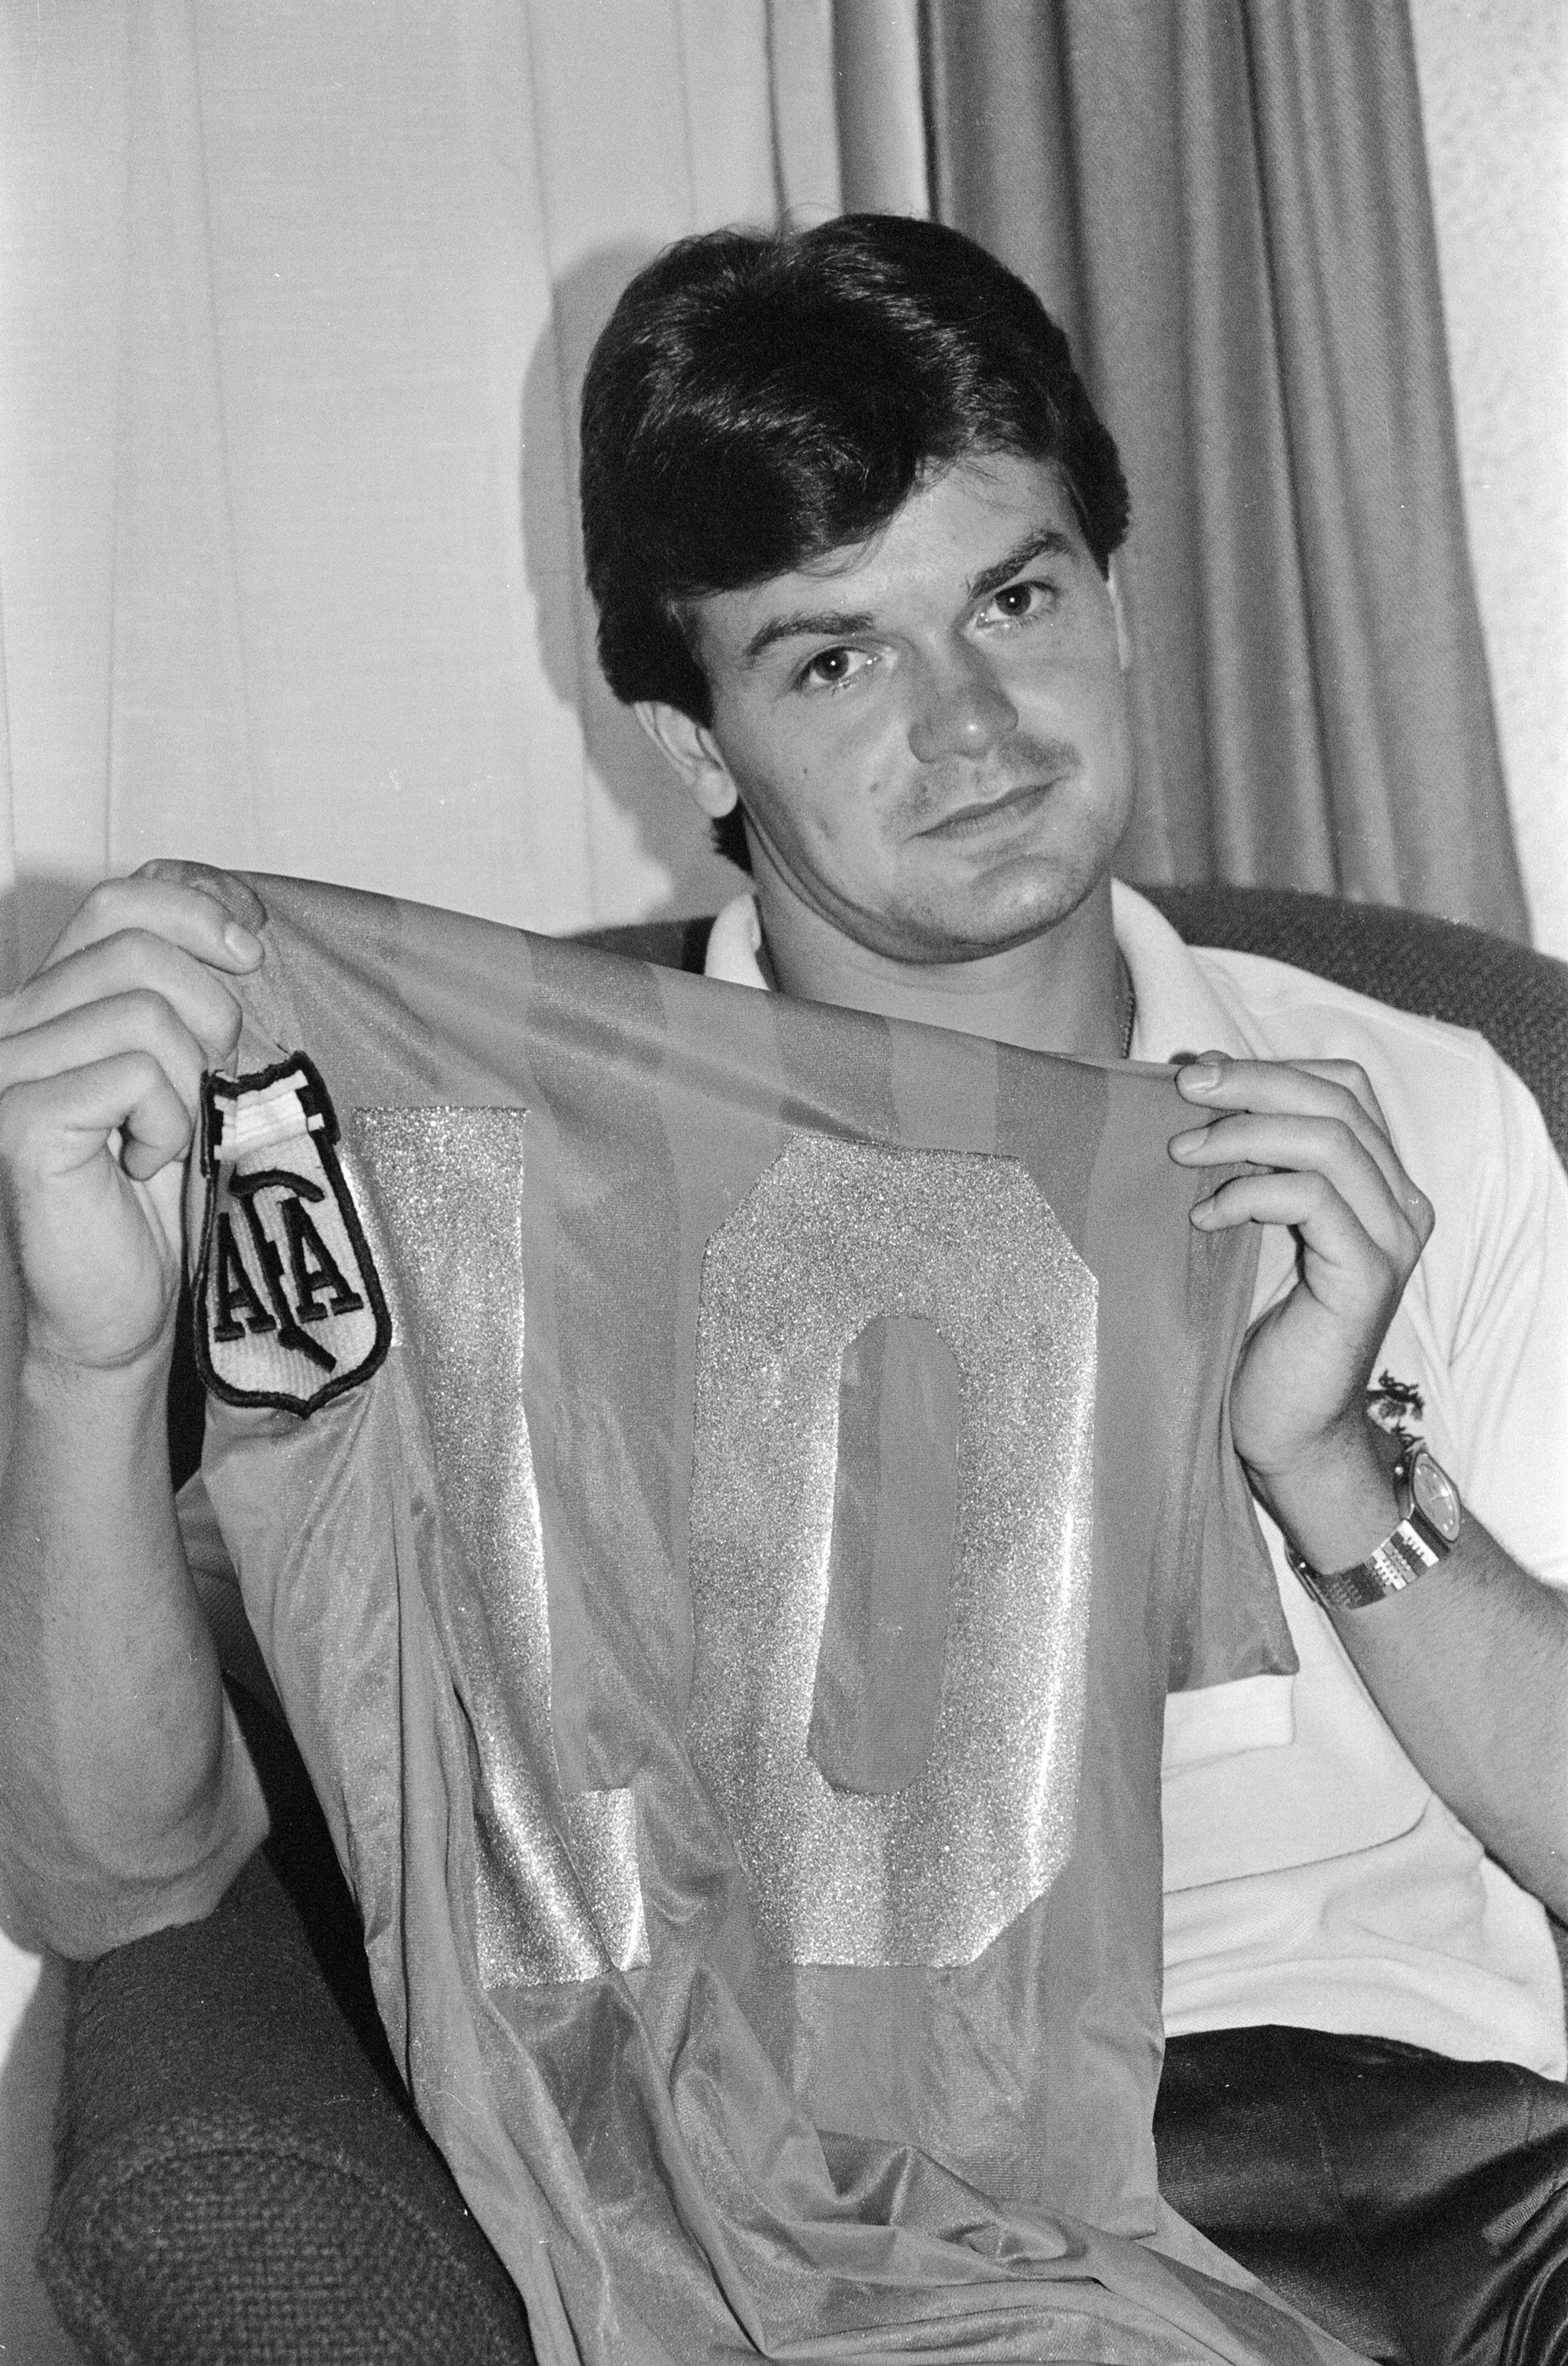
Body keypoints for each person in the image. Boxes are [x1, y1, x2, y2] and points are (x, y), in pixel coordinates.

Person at [0, 211, 1562, 2360]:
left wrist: (1335, 1472)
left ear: (1115, 601)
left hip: (1490, 2162)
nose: (973, 721)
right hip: (917, 2238)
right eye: (835, 658)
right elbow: (113, 1880)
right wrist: (86, 1359)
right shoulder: (496, 1192)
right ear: (693, 744)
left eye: (1013, 598)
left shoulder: (1414, 1101)